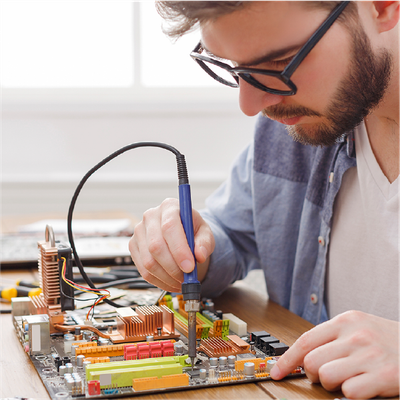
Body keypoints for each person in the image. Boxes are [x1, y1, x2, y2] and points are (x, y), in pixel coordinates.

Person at [129, 0, 400, 398]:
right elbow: (232, 233)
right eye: (235, 70)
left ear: (381, 6)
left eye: (279, 64)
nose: (250, 105)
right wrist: (189, 249)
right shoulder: (297, 124)